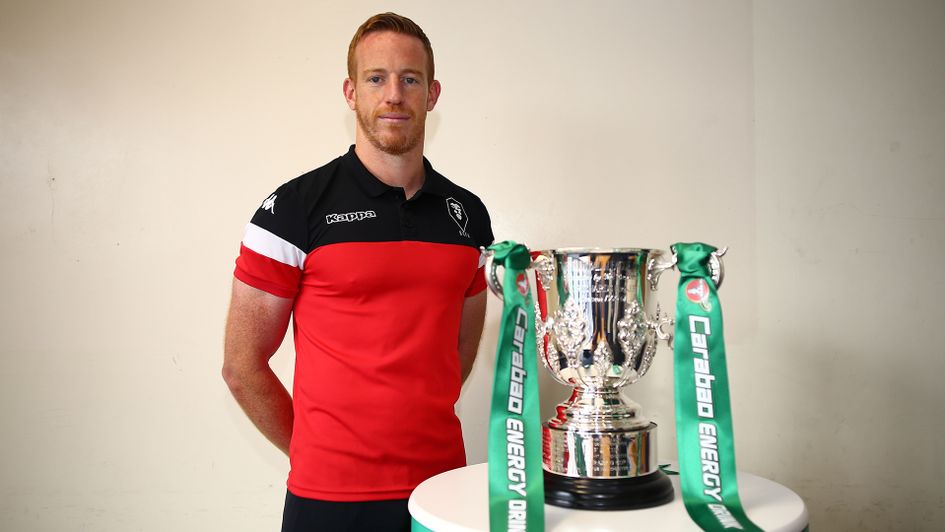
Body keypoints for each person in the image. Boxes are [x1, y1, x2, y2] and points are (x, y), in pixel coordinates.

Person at [222, 12, 494, 532]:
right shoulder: (293, 209)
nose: (394, 95)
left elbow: (459, 346)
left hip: (440, 489)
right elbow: (241, 365)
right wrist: (315, 452)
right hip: (328, 500)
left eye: (410, 79)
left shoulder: (468, 215)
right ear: (351, 93)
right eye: (376, 78)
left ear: (432, 94)